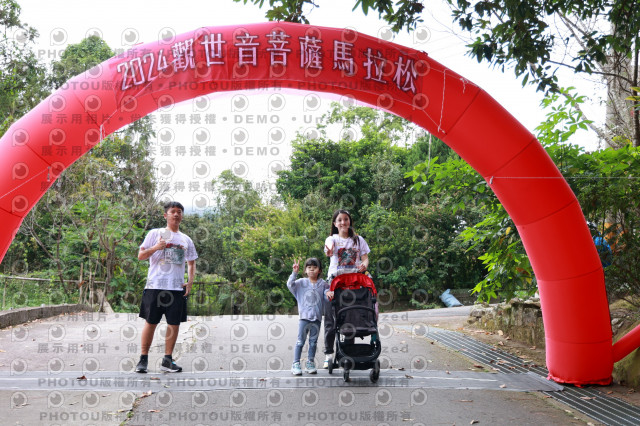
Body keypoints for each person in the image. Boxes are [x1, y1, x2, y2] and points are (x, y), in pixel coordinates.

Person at [135, 201, 197, 373]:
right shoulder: (155, 233)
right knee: (151, 322)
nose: (176, 214)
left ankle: (167, 360)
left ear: (182, 216)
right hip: (155, 286)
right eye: (172, 211)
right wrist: (157, 247)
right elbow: (141, 255)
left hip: (176, 288)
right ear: (165, 215)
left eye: (179, 212)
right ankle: (143, 359)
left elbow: (191, 262)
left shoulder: (186, 239)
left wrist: (190, 282)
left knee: (174, 324)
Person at [322, 209, 370, 368]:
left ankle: (348, 353)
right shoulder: (332, 239)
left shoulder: (359, 240)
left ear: (350, 221)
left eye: (346, 219)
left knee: (351, 317)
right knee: (331, 319)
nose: (343, 222)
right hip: (335, 283)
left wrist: (364, 265)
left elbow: (365, 258)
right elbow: (329, 249)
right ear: (335, 224)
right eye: (340, 220)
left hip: (354, 283)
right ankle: (329, 354)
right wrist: (329, 251)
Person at [287, 257, 328, 375]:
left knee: (313, 342)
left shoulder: (323, 284)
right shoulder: (301, 283)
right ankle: (295, 363)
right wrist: (294, 273)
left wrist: (329, 292)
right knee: (300, 341)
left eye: (315, 267)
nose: (312, 270)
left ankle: (310, 362)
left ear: (319, 270)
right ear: (305, 270)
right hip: (304, 318)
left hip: (317, 318)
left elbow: (327, 293)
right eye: (309, 267)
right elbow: (290, 285)